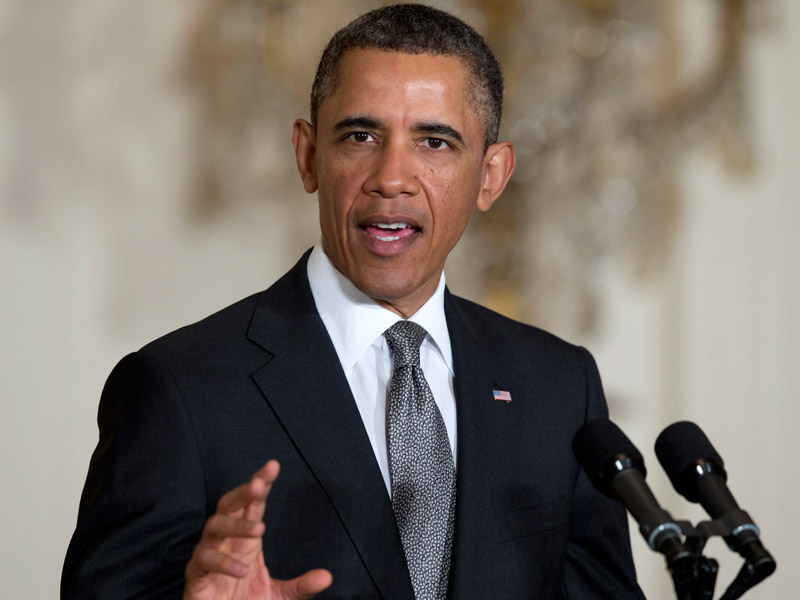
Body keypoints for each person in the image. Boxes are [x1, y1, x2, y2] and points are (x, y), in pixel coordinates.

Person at [62, 4, 645, 599]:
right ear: (309, 155)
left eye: (435, 141)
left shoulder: (558, 386)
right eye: (360, 136)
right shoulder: (180, 388)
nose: (391, 177)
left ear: (491, 175)